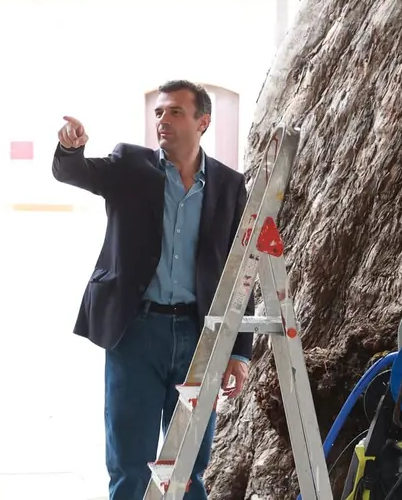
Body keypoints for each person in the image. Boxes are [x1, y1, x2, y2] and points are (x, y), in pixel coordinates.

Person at [52, 79, 254, 500]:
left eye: (175, 112)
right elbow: (74, 171)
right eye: (159, 112)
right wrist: (72, 148)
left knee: (190, 467)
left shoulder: (229, 186)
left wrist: (238, 352)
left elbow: (240, 274)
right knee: (130, 466)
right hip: (136, 334)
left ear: (203, 122)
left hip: (201, 340)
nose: (162, 120)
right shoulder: (130, 166)